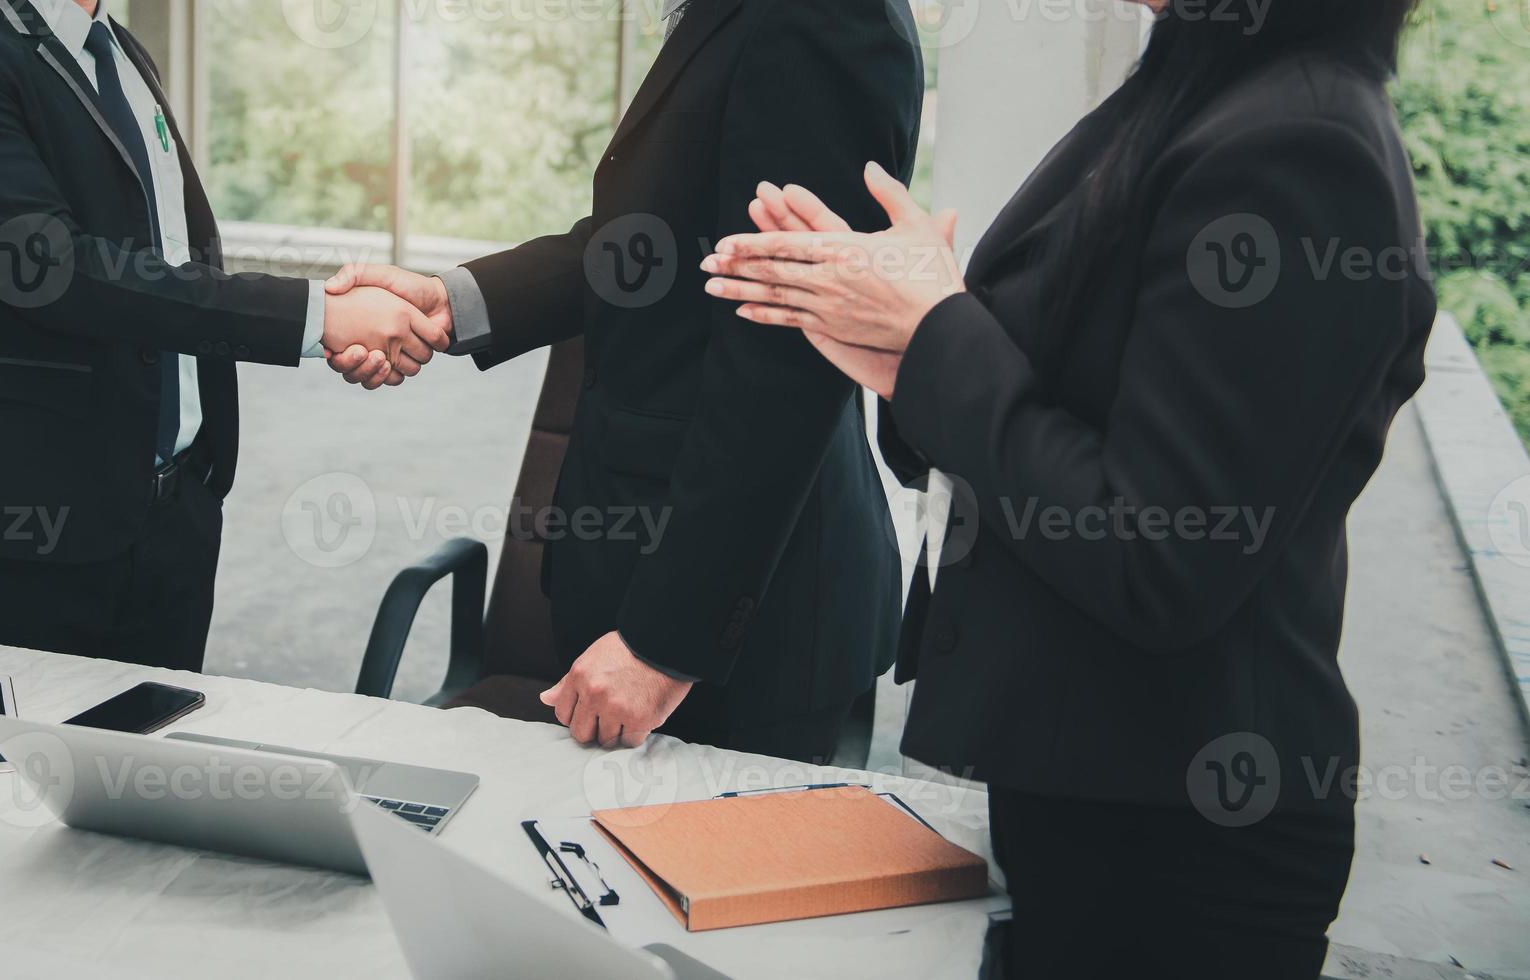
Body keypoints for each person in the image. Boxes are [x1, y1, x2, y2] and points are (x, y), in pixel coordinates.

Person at [702, 0, 1429, 973]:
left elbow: (1157, 554)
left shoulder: (1297, 143)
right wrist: (899, 348)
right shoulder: (1199, 89)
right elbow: (1076, 405)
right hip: (1098, 800)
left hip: (1181, 849)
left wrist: (932, 333)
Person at [324, 0, 923, 760]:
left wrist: (665, 647)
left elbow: (785, 355)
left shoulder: (825, 17)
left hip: (741, 621)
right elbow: (657, 246)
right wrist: (452, 301)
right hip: (642, 561)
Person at [0, 0, 446, 671]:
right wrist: (315, 317)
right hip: (20, 532)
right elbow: (53, 269)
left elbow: (167, 265)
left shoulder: (118, 50)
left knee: (149, 766)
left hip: (171, 518)